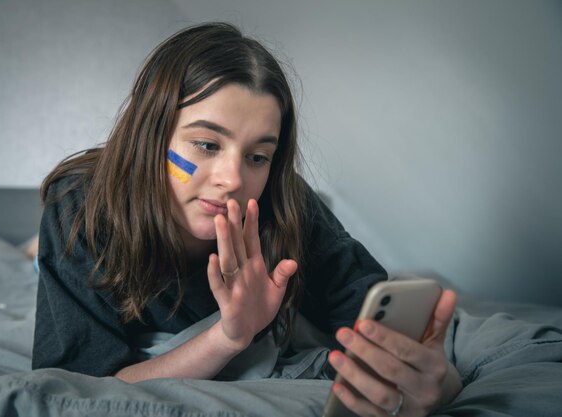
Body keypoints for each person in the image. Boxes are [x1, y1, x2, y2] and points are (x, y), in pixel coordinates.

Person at [32, 22, 462, 417]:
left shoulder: (283, 197)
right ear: (150, 135)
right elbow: (80, 389)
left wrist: (436, 383)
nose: (234, 179)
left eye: (258, 156)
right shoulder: (80, 207)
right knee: (39, 256)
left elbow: (378, 326)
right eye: (205, 144)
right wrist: (229, 337)